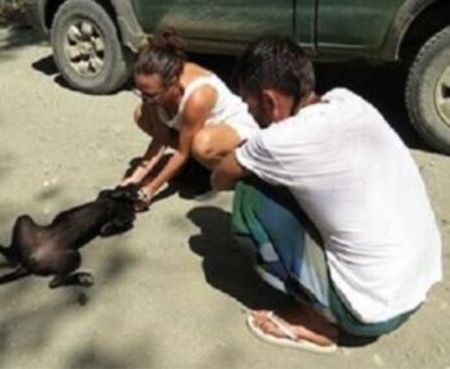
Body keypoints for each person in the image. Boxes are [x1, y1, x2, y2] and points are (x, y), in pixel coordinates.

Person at [212, 36, 442, 353]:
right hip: (415, 286)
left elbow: (220, 178)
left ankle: (317, 320)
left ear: (269, 100)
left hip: (366, 313)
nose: (250, 112)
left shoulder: (278, 141)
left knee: (249, 196)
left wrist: (244, 152)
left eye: (249, 103)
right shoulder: (348, 101)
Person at [120, 29, 258, 209]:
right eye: (141, 92)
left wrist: (150, 191)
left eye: (151, 95)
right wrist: (136, 178)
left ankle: (230, 175)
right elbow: (160, 138)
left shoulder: (197, 96)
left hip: (234, 131)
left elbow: (182, 152)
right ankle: (198, 165)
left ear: (172, 84)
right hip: (199, 128)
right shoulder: (155, 91)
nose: (146, 99)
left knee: (200, 145)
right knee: (142, 115)